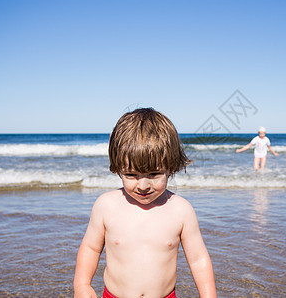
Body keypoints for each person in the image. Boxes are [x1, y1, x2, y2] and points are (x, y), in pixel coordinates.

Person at [74, 108, 217, 298]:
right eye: (131, 175)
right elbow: (91, 248)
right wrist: (82, 285)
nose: (143, 185)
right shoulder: (106, 205)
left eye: (154, 174)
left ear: (171, 167)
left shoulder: (181, 210)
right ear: (118, 168)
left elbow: (198, 260)